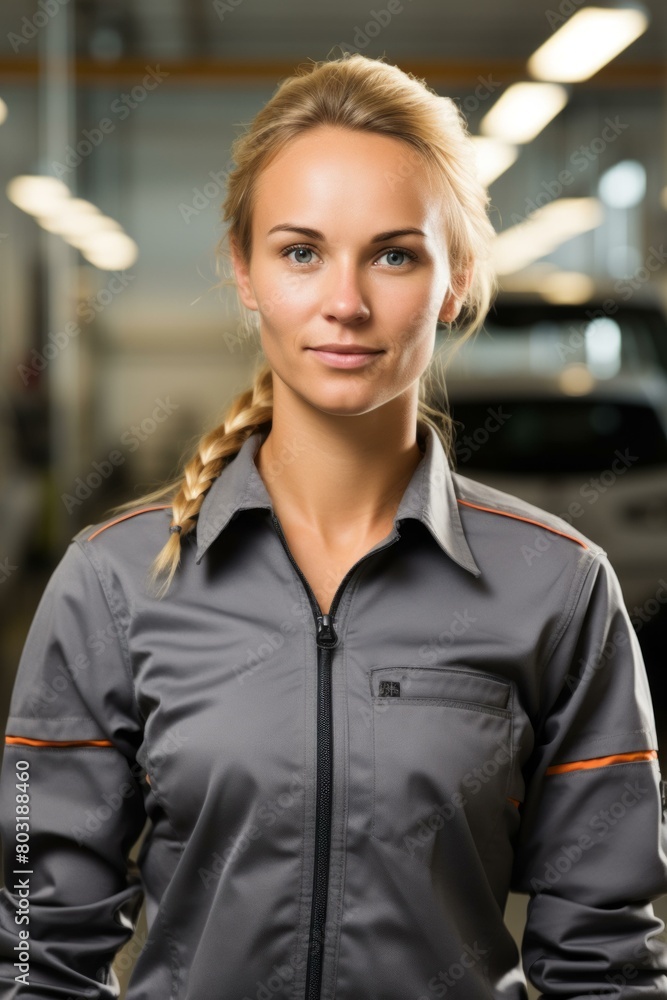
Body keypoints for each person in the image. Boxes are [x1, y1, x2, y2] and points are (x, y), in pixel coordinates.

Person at [1, 51, 666, 1000]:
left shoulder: (560, 589)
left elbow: (605, 967)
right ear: (244, 270)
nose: (345, 303)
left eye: (393, 254)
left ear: (454, 278)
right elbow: (36, 951)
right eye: (300, 251)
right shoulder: (112, 583)